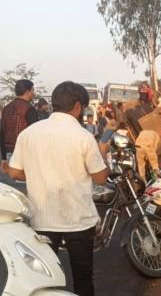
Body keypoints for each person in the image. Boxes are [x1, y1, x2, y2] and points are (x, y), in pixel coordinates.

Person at [1, 81, 109, 296]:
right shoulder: (84, 137)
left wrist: (38, 172)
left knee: (46, 278)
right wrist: (103, 153)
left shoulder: (29, 134)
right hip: (78, 220)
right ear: (78, 107)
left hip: (42, 219)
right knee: (83, 277)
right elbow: (100, 178)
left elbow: (14, 173)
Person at [0, 79, 38, 160]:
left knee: (13, 173)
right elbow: (34, 135)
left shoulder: (6, 108)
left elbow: (2, 133)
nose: (34, 93)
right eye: (33, 90)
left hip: (9, 152)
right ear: (27, 92)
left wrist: (3, 157)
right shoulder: (29, 109)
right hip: (25, 152)